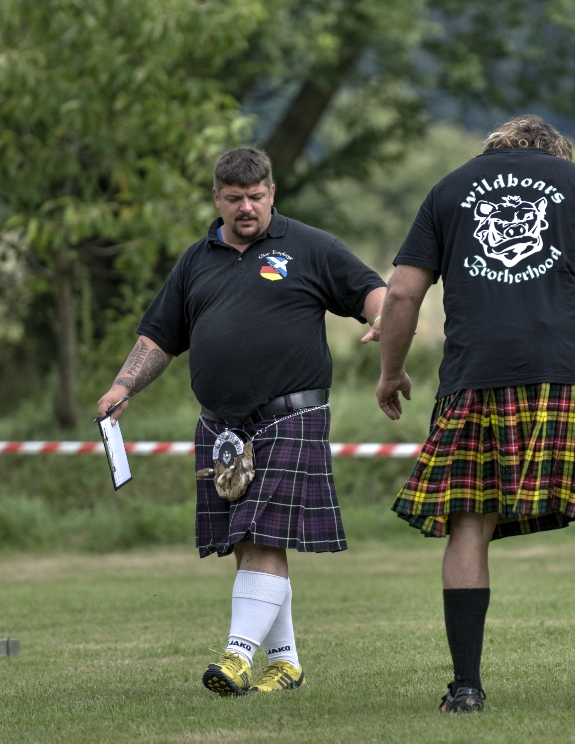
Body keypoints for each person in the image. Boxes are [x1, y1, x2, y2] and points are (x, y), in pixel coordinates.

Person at [376, 115, 575, 712]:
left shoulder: (449, 190)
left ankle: (467, 688)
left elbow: (400, 295)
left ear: (493, 150)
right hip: (569, 374)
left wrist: (391, 371)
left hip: (474, 379)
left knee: (469, 521)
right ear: (556, 154)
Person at [95, 148, 386, 697]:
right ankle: (287, 662)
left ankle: (235, 658)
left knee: (260, 537)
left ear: (272, 193)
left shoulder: (309, 246)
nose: (247, 207)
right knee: (246, 543)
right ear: (217, 199)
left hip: (290, 415)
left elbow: (374, 291)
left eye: (256, 196)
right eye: (235, 198)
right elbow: (158, 336)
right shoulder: (196, 260)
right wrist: (122, 384)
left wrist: (382, 322)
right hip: (223, 427)